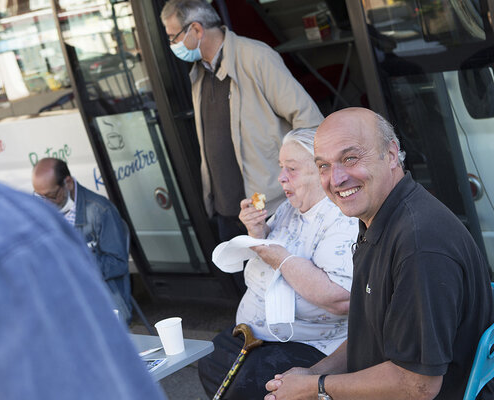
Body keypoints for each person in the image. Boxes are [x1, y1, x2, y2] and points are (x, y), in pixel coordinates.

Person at [0, 4, 164, 398]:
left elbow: (114, 262)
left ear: (67, 184)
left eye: (50, 195)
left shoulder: (96, 211)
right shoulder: (9, 235)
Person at [265, 108, 494, 400]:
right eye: (323, 165)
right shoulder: (381, 217)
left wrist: (317, 388)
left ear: (391, 153)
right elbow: (371, 333)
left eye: (350, 158)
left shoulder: (419, 243)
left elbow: (419, 386)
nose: (335, 179)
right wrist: (313, 374)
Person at [197, 129, 358, 399]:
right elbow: (265, 251)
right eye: (281, 168)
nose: (281, 177)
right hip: (257, 334)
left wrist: (271, 252)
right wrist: (257, 231)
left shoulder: (340, 219)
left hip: (312, 344)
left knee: (251, 382)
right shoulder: (287, 209)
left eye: (291, 169)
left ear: (321, 171)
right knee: (211, 358)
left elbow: (340, 298)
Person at [160, 0, 324, 243]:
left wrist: (298, 181)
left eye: (174, 37)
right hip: (228, 213)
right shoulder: (199, 72)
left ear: (196, 29)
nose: (172, 45)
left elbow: (308, 121)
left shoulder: (256, 57)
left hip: (271, 210)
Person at [32, 157, 132, 323]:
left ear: (68, 183)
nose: (46, 204)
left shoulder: (100, 210)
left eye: (51, 196)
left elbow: (118, 263)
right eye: (40, 197)